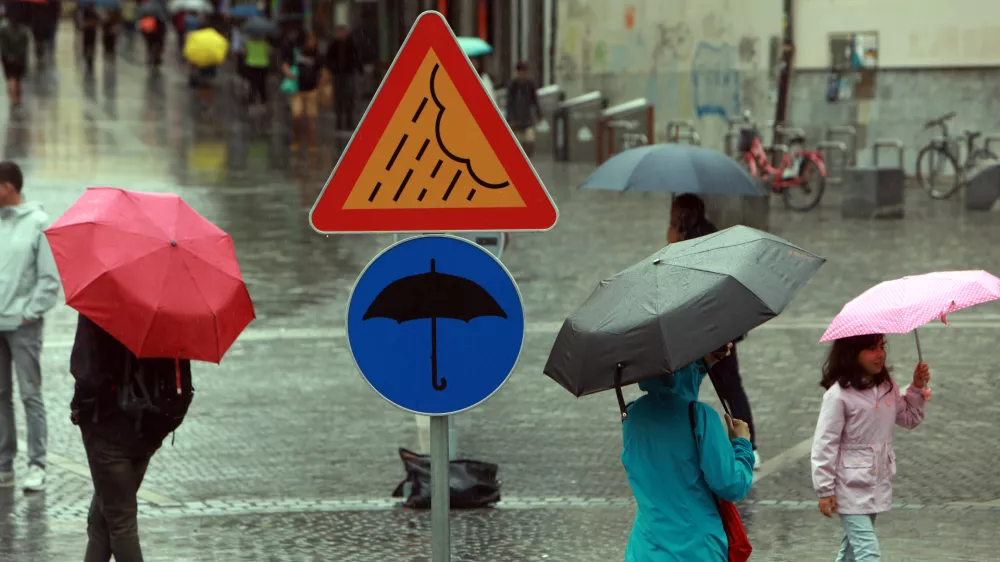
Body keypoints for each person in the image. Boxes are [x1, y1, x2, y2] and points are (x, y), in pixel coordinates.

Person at [70, 314, 194, 562]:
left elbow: (86, 374)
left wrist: (78, 409)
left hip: (106, 429)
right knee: (101, 521)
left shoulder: (99, 306)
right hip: (147, 429)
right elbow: (180, 382)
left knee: (120, 523)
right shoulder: (168, 309)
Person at [622, 344, 754, 560]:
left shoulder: (632, 416)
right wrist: (742, 445)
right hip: (696, 549)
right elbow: (731, 485)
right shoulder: (700, 416)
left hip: (645, 549)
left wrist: (704, 362)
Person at [811, 334, 929, 561]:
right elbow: (825, 443)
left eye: (881, 347)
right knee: (868, 551)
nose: (880, 354)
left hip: (876, 481)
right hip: (848, 484)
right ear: (852, 354)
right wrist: (825, 490)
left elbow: (909, 418)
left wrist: (916, 387)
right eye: (871, 349)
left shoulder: (887, 387)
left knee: (851, 552)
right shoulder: (838, 395)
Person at [667, 193, 761, 469]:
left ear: (685, 213)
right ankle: (748, 444)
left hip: (711, 329)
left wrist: (673, 244)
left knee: (718, 385)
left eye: (674, 212)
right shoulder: (704, 235)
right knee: (727, 387)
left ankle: (748, 445)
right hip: (715, 326)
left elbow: (683, 278)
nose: (670, 217)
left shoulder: (697, 241)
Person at [0, 161, 60, 492]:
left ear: (7, 187)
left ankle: (37, 463)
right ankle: (3, 464)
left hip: (23, 327)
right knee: (0, 396)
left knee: (30, 395)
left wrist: (30, 312)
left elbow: (49, 279)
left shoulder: (38, 224)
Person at [285, 31, 322, 152]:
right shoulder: (297, 52)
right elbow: (286, 64)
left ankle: (312, 143)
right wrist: (288, 73)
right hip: (297, 90)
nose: (311, 42)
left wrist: (320, 87)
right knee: (296, 115)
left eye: (313, 40)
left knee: (311, 118)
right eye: (309, 40)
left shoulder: (317, 54)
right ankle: (297, 140)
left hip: (312, 90)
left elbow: (322, 70)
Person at [324, 25, 360, 132]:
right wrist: (332, 68)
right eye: (339, 32)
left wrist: (356, 67)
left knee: (349, 98)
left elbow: (356, 56)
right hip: (338, 74)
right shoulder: (334, 45)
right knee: (338, 98)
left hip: (348, 73)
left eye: (342, 32)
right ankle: (339, 121)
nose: (341, 34)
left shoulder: (351, 44)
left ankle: (349, 121)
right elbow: (328, 58)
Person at [506, 60, 540, 156]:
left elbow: (535, 101)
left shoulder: (531, 85)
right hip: (516, 120)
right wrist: (511, 119)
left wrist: (538, 114)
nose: (522, 74)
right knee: (518, 143)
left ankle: (527, 157)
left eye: (524, 71)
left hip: (527, 119)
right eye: (520, 71)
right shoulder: (513, 85)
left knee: (529, 141)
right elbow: (509, 103)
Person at [0, 11, 31, 106]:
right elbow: (25, 47)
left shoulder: (3, 30)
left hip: (8, 59)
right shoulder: (24, 31)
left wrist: (7, 55)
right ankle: (17, 98)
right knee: (18, 79)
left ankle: (12, 97)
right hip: (20, 60)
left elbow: (3, 46)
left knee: (10, 78)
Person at [242, 34, 270, 112]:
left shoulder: (248, 43)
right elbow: (269, 53)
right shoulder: (265, 43)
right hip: (263, 65)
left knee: (252, 82)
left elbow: (244, 53)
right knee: (262, 83)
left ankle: (251, 98)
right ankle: (263, 99)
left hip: (251, 64)